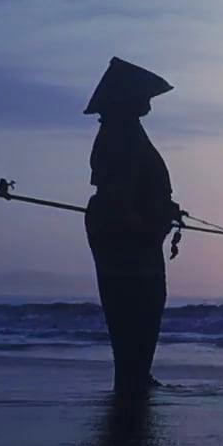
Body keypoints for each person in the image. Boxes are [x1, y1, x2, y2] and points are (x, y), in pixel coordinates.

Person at [83, 57, 181, 393]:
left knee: (142, 305)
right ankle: (132, 378)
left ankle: (135, 375)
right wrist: (139, 222)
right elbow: (118, 189)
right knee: (136, 306)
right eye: (144, 96)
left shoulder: (124, 131)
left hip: (132, 230)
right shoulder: (119, 135)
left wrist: (163, 209)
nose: (148, 102)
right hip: (125, 234)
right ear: (128, 99)